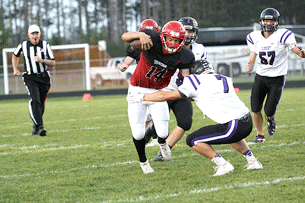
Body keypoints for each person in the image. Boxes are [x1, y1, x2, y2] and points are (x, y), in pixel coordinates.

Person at [127, 59, 263, 176]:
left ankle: (223, 165)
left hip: (233, 125)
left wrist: (142, 97)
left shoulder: (194, 80)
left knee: (193, 140)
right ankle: (253, 162)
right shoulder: (224, 78)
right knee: (233, 136)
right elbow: (201, 96)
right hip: (246, 122)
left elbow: (166, 96)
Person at [121, 21, 195, 174]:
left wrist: (190, 91)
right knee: (138, 132)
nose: (173, 43)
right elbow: (125, 36)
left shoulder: (185, 55)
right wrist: (141, 34)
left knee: (162, 132)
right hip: (137, 89)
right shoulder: (152, 39)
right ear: (163, 37)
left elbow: (186, 76)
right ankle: (144, 162)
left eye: (176, 40)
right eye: (170, 39)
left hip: (158, 91)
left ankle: (162, 143)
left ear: (182, 41)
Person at [149, 17, 208, 161]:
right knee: (159, 126)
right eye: (185, 31)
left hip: (183, 92)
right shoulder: (169, 47)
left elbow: (204, 72)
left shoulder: (199, 50)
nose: (187, 34)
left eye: (190, 31)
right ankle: (152, 129)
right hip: (165, 90)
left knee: (185, 122)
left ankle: (164, 151)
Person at [245, 8, 305, 143]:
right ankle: (260, 135)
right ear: (261, 21)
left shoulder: (284, 35)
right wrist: (250, 64)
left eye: (271, 20)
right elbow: (253, 52)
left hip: (277, 78)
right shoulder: (253, 36)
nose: (268, 23)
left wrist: (302, 53)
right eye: (266, 20)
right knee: (255, 108)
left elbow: (297, 50)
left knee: (269, 110)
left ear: (277, 22)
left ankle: (270, 119)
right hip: (260, 77)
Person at [119, 19, 160, 146]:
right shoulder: (137, 45)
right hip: (141, 82)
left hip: (157, 81)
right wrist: (124, 65)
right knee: (145, 114)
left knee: (157, 112)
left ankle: (157, 137)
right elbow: (129, 58)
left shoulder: (160, 45)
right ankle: (145, 136)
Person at [12, 24, 56, 136]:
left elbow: (53, 62)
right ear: (29, 35)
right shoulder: (23, 45)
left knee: (41, 102)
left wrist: (42, 61)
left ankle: (36, 125)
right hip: (30, 77)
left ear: (40, 34)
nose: (35, 36)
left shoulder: (45, 44)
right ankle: (41, 127)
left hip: (44, 77)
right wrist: (15, 68)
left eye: (37, 33)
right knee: (35, 100)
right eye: (33, 34)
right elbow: (15, 55)